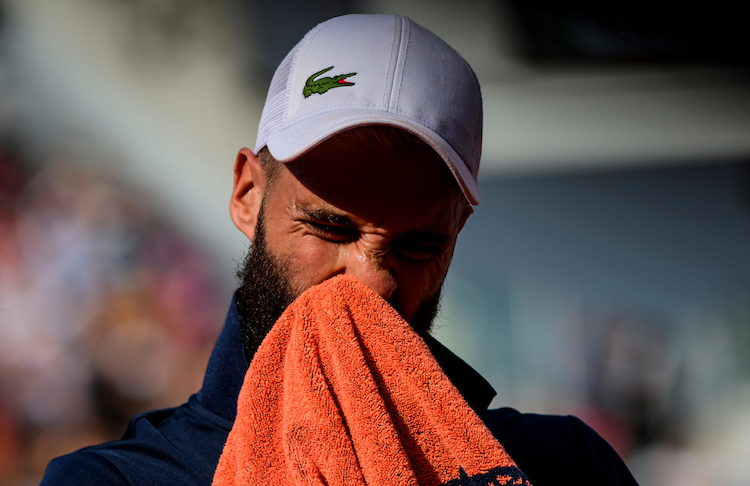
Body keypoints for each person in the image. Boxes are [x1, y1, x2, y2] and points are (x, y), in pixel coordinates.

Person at [41, 14, 638, 486]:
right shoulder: (114, 481)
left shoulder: (565, 467)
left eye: (419, 243)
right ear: (247, 196)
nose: (371, 281)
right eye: (332, 228)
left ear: (456, 237)